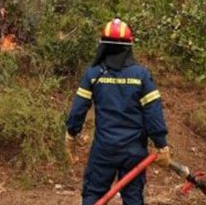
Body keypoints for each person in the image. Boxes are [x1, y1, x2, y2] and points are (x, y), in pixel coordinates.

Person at [66, 18, 171, 205]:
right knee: (132, 198)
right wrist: (161, 144)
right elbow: (153, 113)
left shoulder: (94, 74)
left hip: (104, 150)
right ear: (129, 46)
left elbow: (78, 110)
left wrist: (71, 135)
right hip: (134, 151)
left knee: (93, 195)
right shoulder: (141, 76)